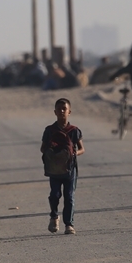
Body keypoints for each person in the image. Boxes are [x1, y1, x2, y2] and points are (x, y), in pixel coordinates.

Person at [41, 98, 85, 235]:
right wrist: (53, 154)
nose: (61, 111)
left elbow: (82, 149)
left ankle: (69, 224)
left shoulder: (74, 131)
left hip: (70, 169)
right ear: (54, 112)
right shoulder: (49, 130)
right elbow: (42, 148)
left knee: (69, 196)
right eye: (59, 109)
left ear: (69, 112)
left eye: (64, 109)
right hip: (54, 169)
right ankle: (54, 216)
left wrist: (74, 153)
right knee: (54, 194)